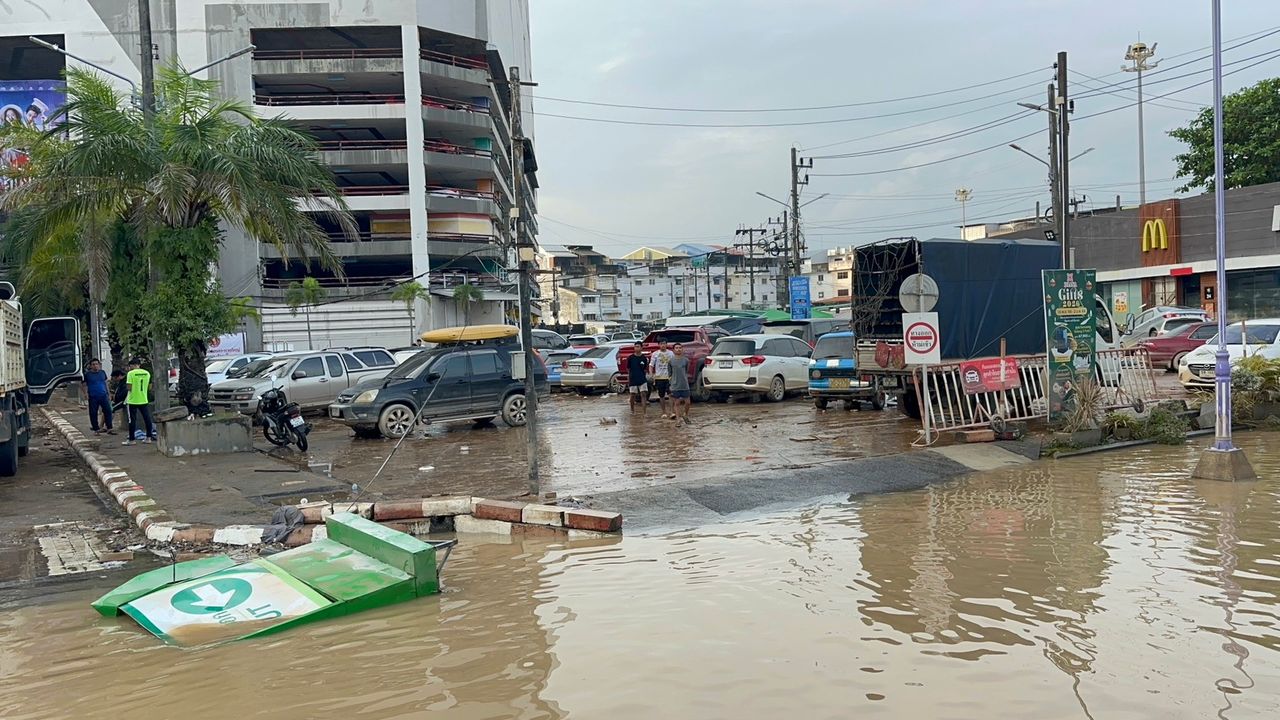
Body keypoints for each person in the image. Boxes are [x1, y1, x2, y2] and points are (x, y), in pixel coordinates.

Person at [123, 358, 155, 445]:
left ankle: (131, 440)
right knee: (147, 418)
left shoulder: (130, 374)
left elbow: (129, 387)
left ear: (132, 365)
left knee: (132, 420)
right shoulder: (147, 373)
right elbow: (150, 387)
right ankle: (148, 437)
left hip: (132, 400)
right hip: (143, 399)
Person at [83, 358, 113, 435]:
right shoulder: (88, 375)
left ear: (99, 365)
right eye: (93, 364)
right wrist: (86, 394)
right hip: (93, 396)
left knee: (108, 411)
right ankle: (96, 429)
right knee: (93, 413)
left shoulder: (102, 373)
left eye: (97, 364)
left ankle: (109, 427)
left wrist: (108, 394)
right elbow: (84, 385)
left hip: (103, 395)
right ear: (91, 366)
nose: (95, 366)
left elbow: (106, 383)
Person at [649, 341, 675, 418]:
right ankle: (664, 412)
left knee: (671, 394)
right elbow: (651, 365)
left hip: (669, 377)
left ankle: (672, 412)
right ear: (659, 345)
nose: (663, 345)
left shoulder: (671, 353)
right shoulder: (655, 354)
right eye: (661, 344)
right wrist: (651, 375)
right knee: (661, 395)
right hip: (659, 377)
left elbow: (674, 364)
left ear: (666, 344)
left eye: (664, 343)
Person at [669, 343, 692, 425]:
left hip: (684, 384)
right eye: (676, 348)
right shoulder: (671, 361)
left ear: (682, 349)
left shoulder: (686, 360)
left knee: (688, 402)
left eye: (680, 348)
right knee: (677, 403)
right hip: (675, 385)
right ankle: (678, 420)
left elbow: (686, 370)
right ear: (673, 350)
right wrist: (671, 384)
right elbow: (670, 373)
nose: (678, 349)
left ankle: (685, 414)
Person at [626, 341, 648, 414]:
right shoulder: (630, 358)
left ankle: (644, 412)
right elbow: (628, 369)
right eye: (635, 346)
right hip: (633, 378)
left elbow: (645, 369)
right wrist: (629, 378)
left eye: (638, 346)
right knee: (632, 395)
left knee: (643, 394)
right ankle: (632, 411)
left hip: (642, 378)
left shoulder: (644, 358)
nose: (636, 348)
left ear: (641, 348)